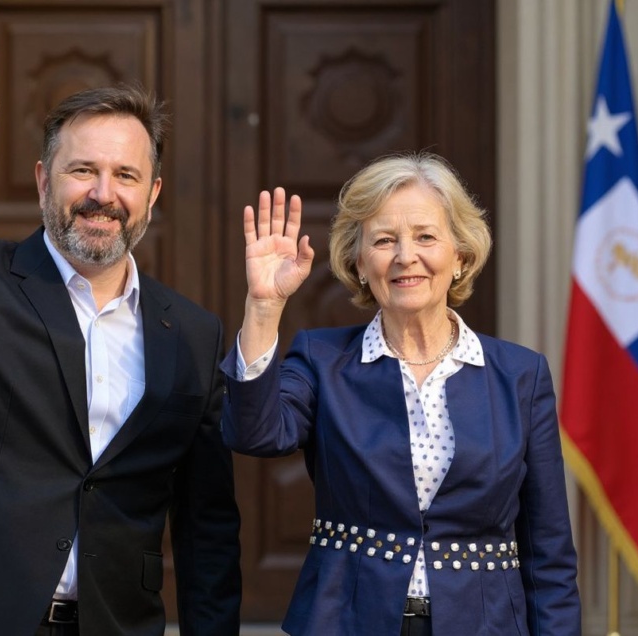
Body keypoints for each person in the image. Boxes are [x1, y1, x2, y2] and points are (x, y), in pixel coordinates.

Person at [0, 35, 241, 636]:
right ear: (42, 180)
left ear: (152, 195)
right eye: (82, 170)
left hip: (116, 623)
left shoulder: (192, 331)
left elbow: (205, 521)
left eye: (125, 175)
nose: (103, 194)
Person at [220, 152, 581, 635]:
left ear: (461, 255)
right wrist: (263, 308)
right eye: (384, 240)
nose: (405, 256)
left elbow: (548, 548)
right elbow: (255, 433)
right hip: (346, 622)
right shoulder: (323, 359)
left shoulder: (520, 375)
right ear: (359, 261)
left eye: (426, 237)